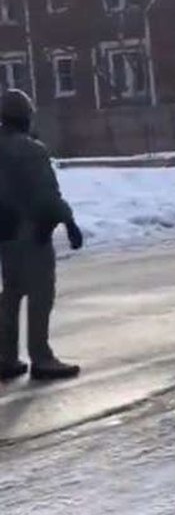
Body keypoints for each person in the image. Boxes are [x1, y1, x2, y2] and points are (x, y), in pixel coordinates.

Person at [0, 89, 83, 381]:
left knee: (10, 294)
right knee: (40, 294)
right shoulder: (31, 150)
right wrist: (69, 221)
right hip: (32, 230)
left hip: (5, 232)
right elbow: (46, 194)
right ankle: (42, 357)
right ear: (26, 116)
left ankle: (6, 357)